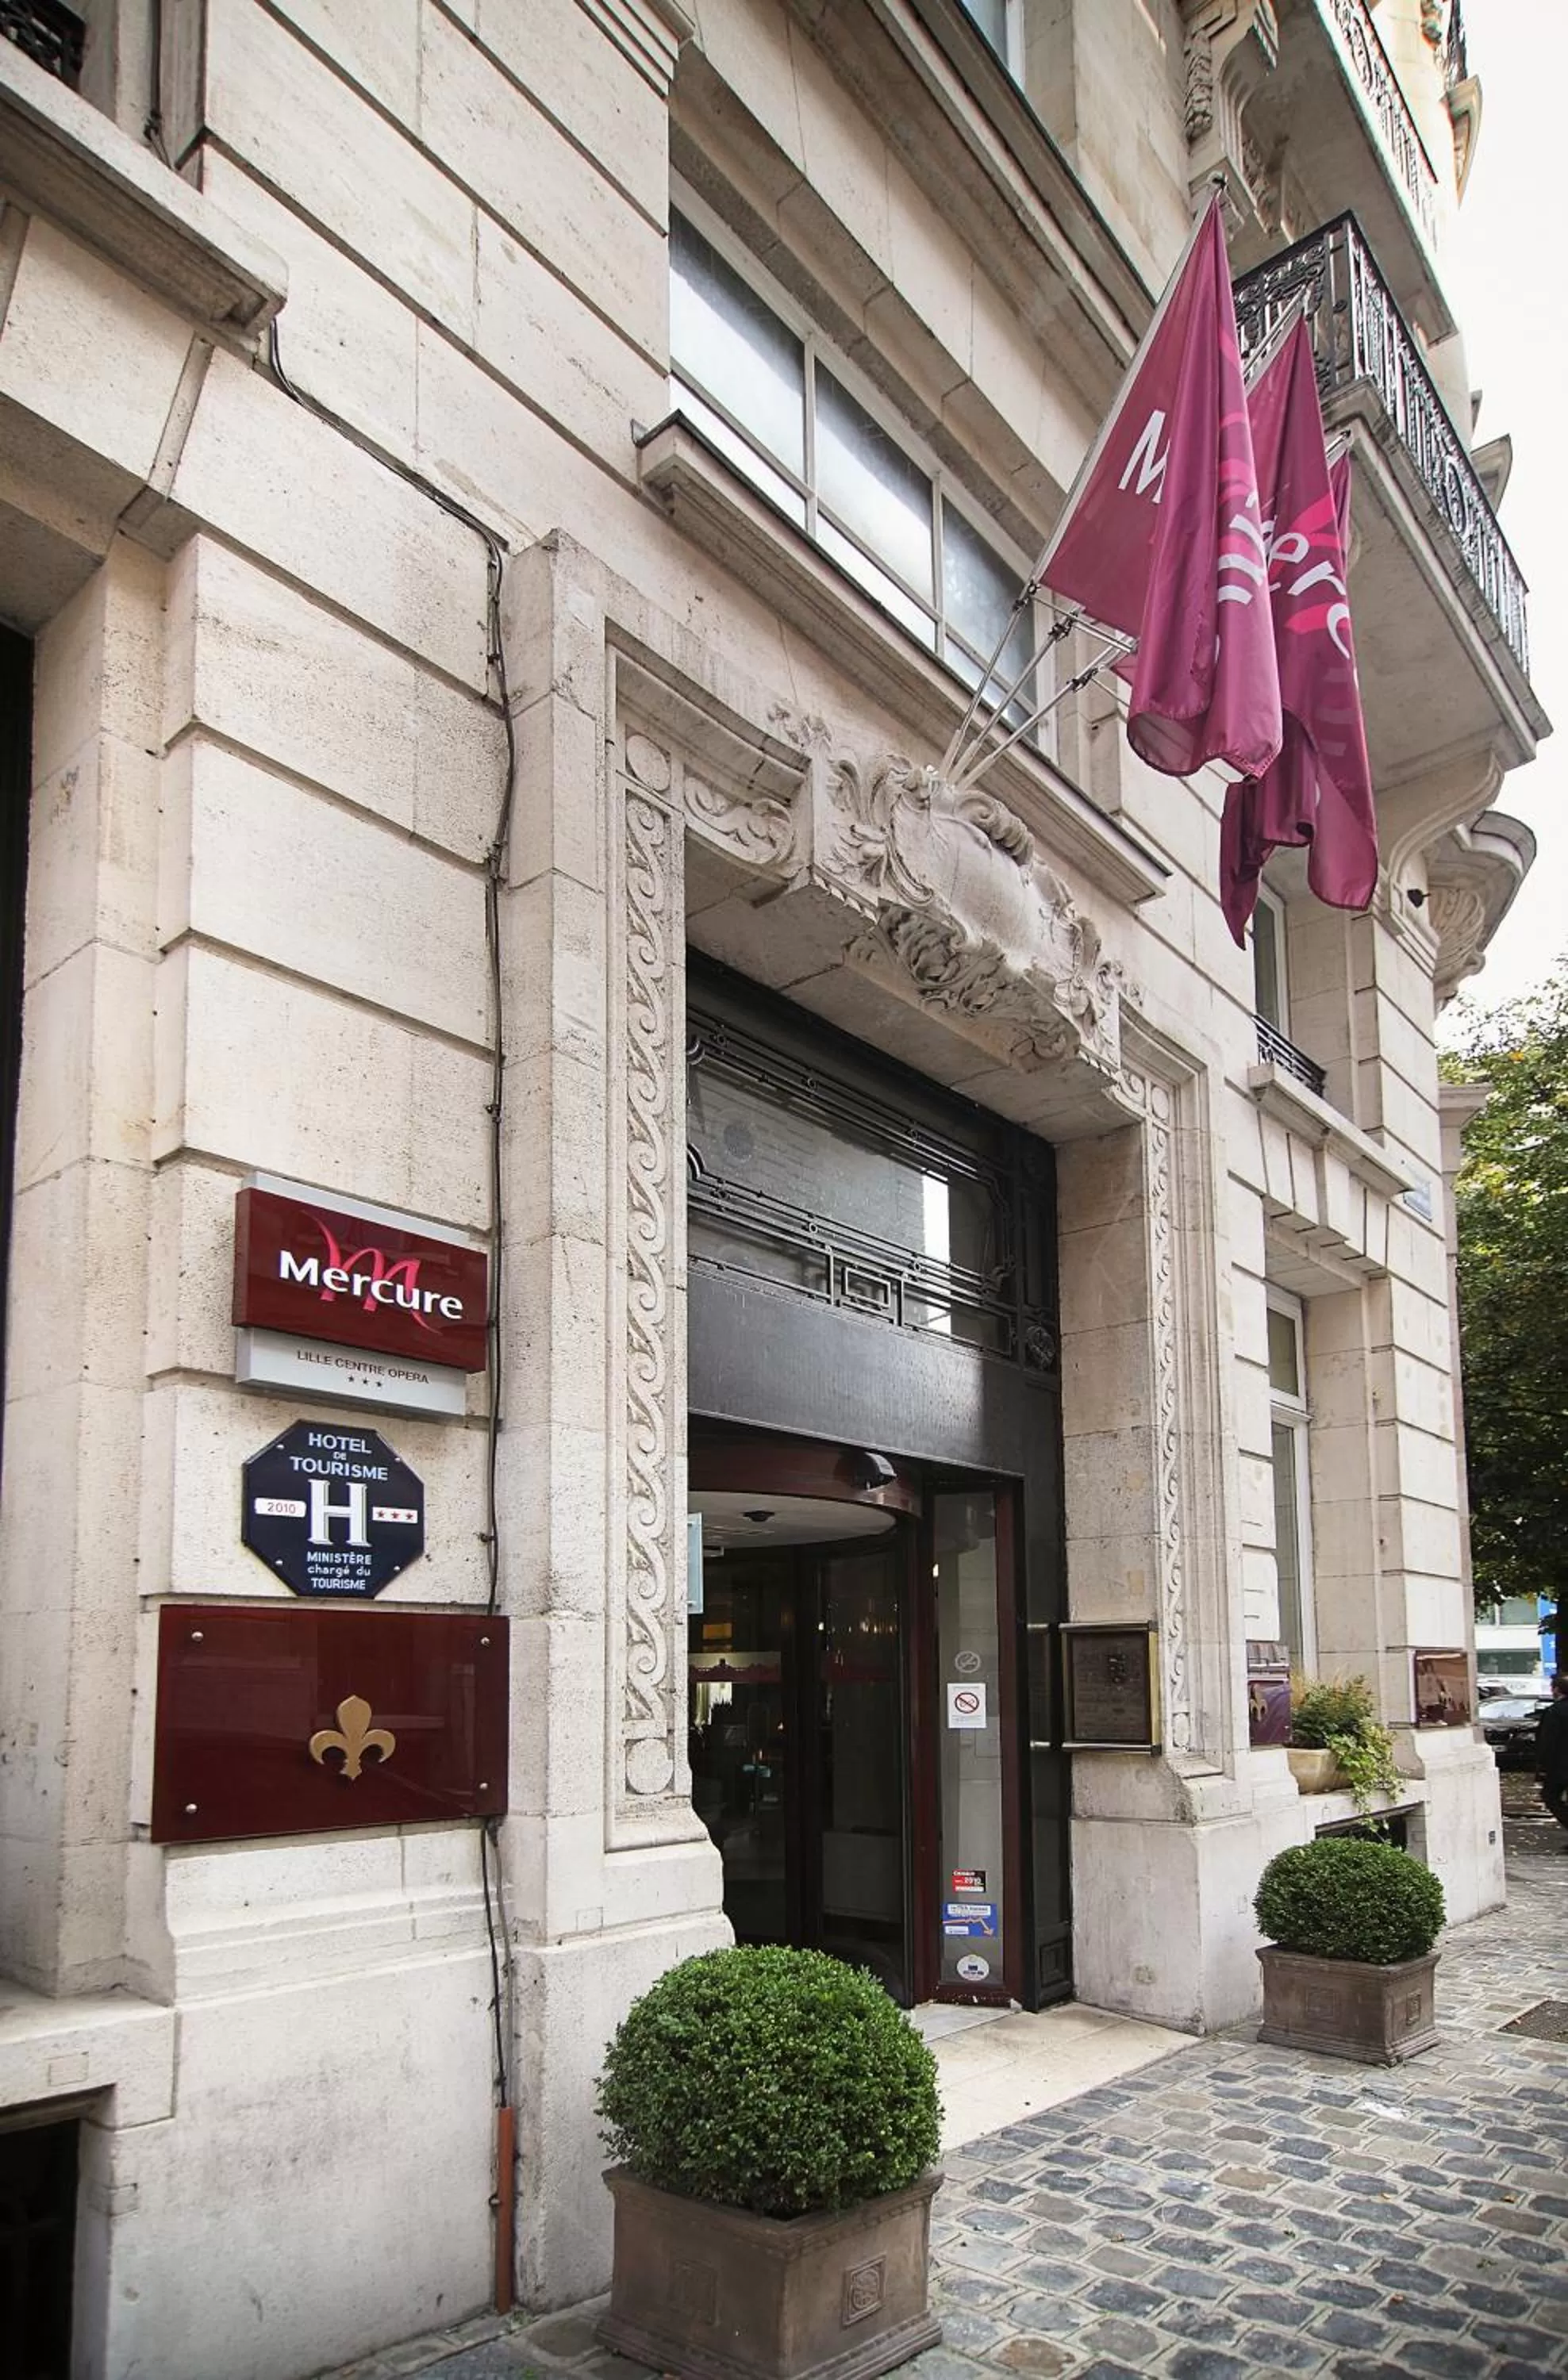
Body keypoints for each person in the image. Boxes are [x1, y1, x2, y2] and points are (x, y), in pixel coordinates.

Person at [1538, 1674, 1568, 1849]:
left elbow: (1548, 1741)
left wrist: (1543, 1766)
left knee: (1550, 1796)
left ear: (1556, 1690)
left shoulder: (1555, 1712)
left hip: (1561, 1767)